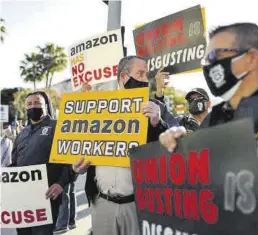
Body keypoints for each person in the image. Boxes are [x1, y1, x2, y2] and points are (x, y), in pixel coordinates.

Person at [72, 55, 179, 235]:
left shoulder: (156, 107)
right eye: (140, 74)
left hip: (138, 205)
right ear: (123, 77)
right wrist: (78, 167)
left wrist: (157, 123)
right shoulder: (97, 106)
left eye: (147, 75)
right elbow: (82, 147)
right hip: (102, 204)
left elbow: (174, 146)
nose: (145, 80)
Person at [159, 22, 258, 153]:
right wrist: (181, 142)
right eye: (206, 60)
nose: (209, 66)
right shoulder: (214, 118)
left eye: (215, 56)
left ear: (251, 58)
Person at [11, 91, 75, 235]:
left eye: (37, 103)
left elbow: (70, 162)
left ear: (46, 106)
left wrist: (61, 183)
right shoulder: (22, 133)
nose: (33, 106)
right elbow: (14, 164)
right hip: (22, 199)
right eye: (29, 104)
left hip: (47, 197)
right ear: (25, 108)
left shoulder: (58, 127)